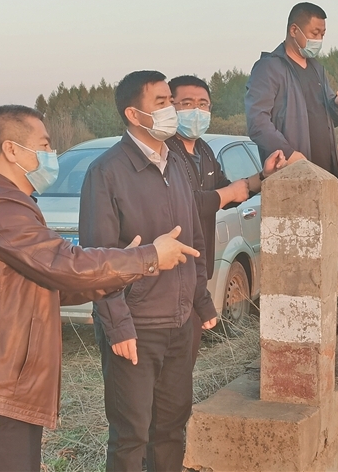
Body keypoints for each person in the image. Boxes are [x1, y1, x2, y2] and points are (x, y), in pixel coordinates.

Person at [0, 105, 199, 472]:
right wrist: (147, 257)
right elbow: (65, 264)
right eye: (44, 145)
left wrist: (122, 272)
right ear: (11, 150)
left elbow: (50, 284)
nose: (51, 155)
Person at [79, 71, 218, 472]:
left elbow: (194, 239)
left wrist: (201, 300)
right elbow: (98, 261)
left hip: (179, 323)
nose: (171, 109)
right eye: (160, 102)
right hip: (136, 327)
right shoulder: (107, 173)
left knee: (171, 428)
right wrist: (117, 325)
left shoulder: (176, 164)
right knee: (131, 435)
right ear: (133, 114)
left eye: (170, 100)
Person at [166, 75, 286, 364]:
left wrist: (263, 176)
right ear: (170, 107)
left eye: (203, 104)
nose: (196, 111)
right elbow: (182, 204)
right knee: (172, 358)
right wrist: (226, 193)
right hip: (170, 270)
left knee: (186, 358)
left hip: (199, 268)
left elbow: (227, 191)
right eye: (187, 104)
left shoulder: (204, 151)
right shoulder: (165, 153)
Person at [245, 2, 338, 183]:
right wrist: (289, 154)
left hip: (326, 176)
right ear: (294, 30)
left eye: (322, 34)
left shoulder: (317, 69)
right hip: (290, 178)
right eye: (314, 33)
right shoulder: (269, 68)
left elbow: (332, 121)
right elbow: (257, 123)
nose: (319, 40)